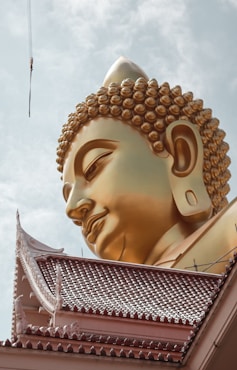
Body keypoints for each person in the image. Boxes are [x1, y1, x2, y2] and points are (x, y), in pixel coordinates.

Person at [56, 57, 236, 274]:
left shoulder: (230, 235)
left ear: (181, 156)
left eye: (92, 167)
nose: (72, 209)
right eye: (68, 195)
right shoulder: (108, 300)